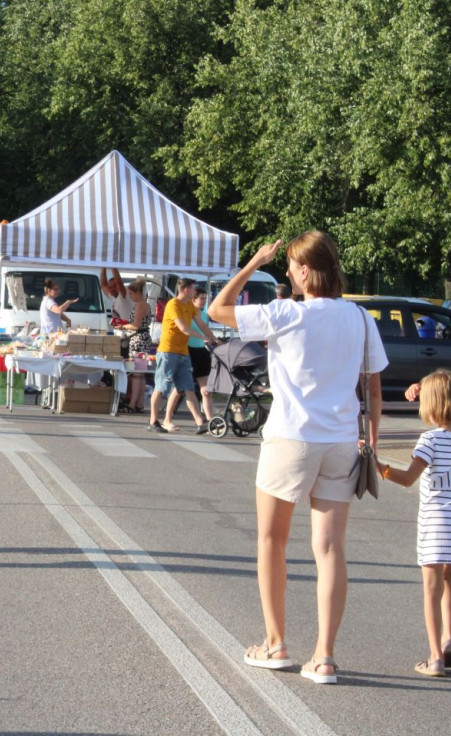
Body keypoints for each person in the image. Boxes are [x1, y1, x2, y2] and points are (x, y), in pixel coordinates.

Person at [208, 230, 387, 685]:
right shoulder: (360, 319)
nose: (287, 273)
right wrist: (372, 442)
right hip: (342, 441)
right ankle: (324, 657)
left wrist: (252, 264)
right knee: (330, 550)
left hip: (291, 437)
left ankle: (276, 644)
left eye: (290, 266)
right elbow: (374, 389)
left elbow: (216, 311)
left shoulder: (286, 313)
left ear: (305, 271)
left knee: (271, 541)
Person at [378, 369, 451, 677]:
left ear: (429, 403)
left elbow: (407, 480)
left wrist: (378, 466)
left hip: (438, 522)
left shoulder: (430, 440)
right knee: (448, 580)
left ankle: (434, 658)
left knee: (430, 589)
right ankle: (449, 639)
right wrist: (424, 386)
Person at [148, 278, 215, 433]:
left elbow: (201, 324)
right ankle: (153, 421)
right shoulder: (173, 305)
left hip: (183, 352)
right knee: (161, 386)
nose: (194, 292)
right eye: (193, 289)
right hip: (168, 351)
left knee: (188, 388)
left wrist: (214, 338)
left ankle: (200, 423)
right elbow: (184, 328)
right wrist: (204, 338)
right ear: (186, 290)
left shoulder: (189, 305)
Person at [169, 288, 215, 422]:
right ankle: (168, 415)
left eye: (205, 299)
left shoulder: (204, 315)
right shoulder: (187, 313)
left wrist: (213, 338)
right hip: (188, 351)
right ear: (193, 299)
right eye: (201, 299)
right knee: (180, 389)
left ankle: (211, 420)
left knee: (206, 391)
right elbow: (185, 330)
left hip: (201, 352)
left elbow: (205, 328)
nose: (204, 302)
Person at [117, 278, 152, 413]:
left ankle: (132, 404)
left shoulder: (140, 305)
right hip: (142, 339)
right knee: (141, 373)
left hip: (138, 340)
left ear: (138, 292)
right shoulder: (145, 304)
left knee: (136, 373)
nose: (130, 296)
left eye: (131, 294)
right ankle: (139, 403)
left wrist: (122, 326)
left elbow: (136, 325)